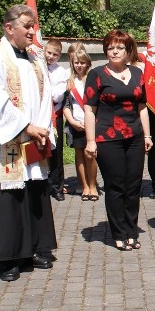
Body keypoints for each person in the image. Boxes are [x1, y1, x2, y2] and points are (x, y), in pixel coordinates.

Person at [0, 4, 57, 282]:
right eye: (27, 26)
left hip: (31, 141)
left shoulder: (36, 60)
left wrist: (41, 129)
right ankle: (7, 257)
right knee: (7, 200)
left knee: (31, 194)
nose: (33, 31)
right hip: (0, 143)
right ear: (9, 28)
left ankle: (30, 249)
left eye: (34, 25)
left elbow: (46, 98)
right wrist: (24, 126)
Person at [84, 29, 153, 251]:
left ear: (127, 50)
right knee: (116, 187)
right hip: (107, 139)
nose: (114, 51)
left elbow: (142, 107)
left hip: (134, 137)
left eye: (119, 47)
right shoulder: (97, 74)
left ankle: (132, 230)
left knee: (133, 187)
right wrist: (91, 140)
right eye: (110, 47)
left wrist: (147, 135)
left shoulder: (137, 73)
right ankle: (119, 233)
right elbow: (89, 109)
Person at [62, 44, 98, 201]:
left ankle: (93, 185)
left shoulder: (93, 79)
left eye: (82, 63)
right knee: (79, 155)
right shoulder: (69, 81)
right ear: (72, 63)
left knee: (90, 154)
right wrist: (71, 121)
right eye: (76, 63)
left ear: (88, 63)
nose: (79, 66)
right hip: (75, 123)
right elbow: (66, 104)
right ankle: (83, 186)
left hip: (91, 124)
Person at [44, 39, 70, 200]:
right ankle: (41, 185)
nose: (51, 56)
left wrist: (46, 92)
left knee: (56, 152)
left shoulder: (61, 72)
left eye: (55, 54)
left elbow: (57, 95)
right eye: (49, 53)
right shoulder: (35, 66)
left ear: (59, 56)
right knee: (38, 151)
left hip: (55, 115)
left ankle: (57, 187)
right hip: (37, 115)